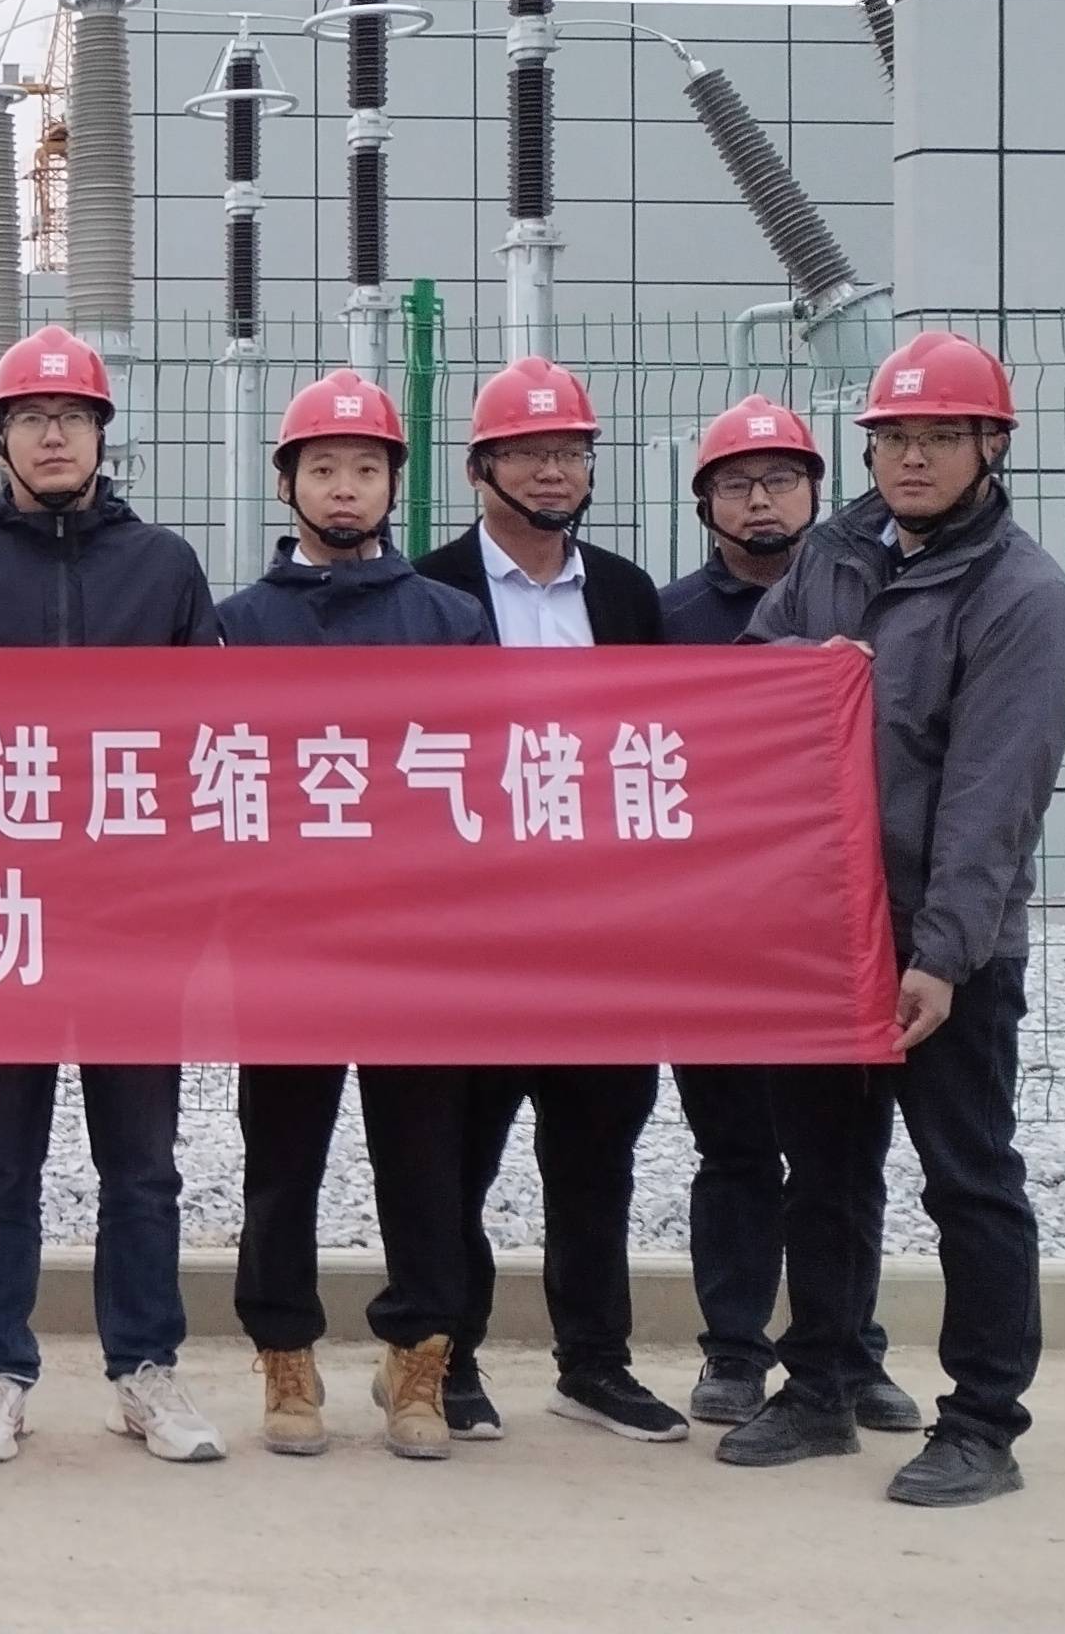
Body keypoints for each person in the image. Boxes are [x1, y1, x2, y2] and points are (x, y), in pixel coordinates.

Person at [721, 330, 1065, 1509]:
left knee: (967, 1177)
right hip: (822, 929)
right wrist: (802, 668)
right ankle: (818, 1382)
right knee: (821, 1170)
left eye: (938, 436)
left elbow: (994, 792)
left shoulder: (1020, 594)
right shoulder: (831, 555)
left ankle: (981, 1420)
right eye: (892, 437)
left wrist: (942, 955)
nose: (911, 458)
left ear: (990, 445)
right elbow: (748, 684)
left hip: (940, 945)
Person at [0, 324, 224, 1467]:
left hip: (134, 920)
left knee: (140, 1162)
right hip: (3, 920)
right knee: (2, 1157)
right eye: (32, 419)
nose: (53, 435)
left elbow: (212, 743)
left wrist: (188, 899)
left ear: (101, 434)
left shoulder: (164, 569)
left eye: (73, 417)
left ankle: (145, 1368)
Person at [210, 370, 490, 1464]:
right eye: (321, 467)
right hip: (285, 940)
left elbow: (488, 777)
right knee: (282, 1159)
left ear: (392, 486)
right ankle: (285, 1352)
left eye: (364, 468)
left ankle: (419, 1356)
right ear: (286, 483)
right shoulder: (238, 626)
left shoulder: (450, 621)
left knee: (424, 1162)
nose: (343, 487)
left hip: (419, 942)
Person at [408, 354, 684, 1445]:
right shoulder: (428, 590)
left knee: (594, 1153)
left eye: (569, 451)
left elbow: (665, 746)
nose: (554, 472)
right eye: (527, 453)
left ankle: (595, 1364)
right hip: (474, 929)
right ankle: (451, 1359)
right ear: (479, 470)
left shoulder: (624, 594)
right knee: (459, 1158)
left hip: (602, 932)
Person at [657, 396, 917, 1436]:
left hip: (833, 930)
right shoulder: (668, 619)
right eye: (735, 483)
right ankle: (733, 1348)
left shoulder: (878, 598)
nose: (758, 500)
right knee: (731, 1145)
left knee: (840, 1157)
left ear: (817, 490)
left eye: (780, 480)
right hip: (711, 928)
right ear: (704, 502)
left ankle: (849, 1350)